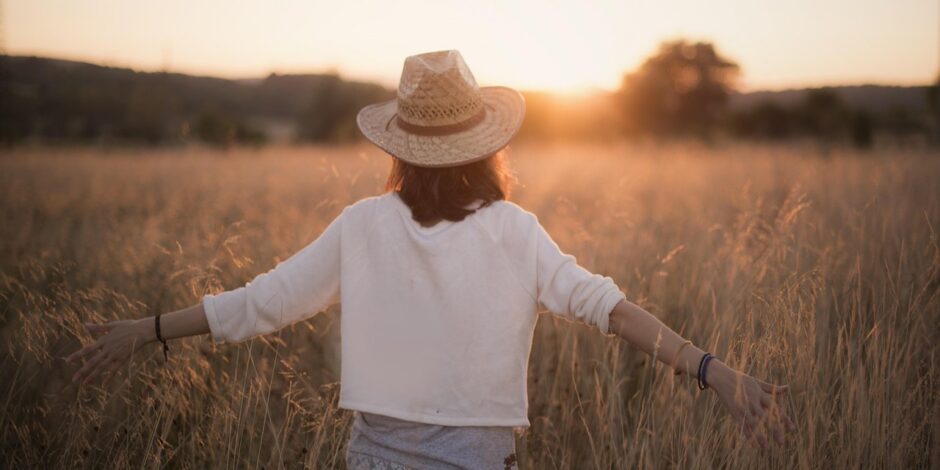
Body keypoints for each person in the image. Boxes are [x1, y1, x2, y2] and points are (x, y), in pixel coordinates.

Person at [66, 50, 795, 468]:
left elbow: (259, 304)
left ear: (400, 148)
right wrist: (713, 370)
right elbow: (611, 309)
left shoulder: (361, 226)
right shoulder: (517, 231)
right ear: (489, 145)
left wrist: (148, 330)